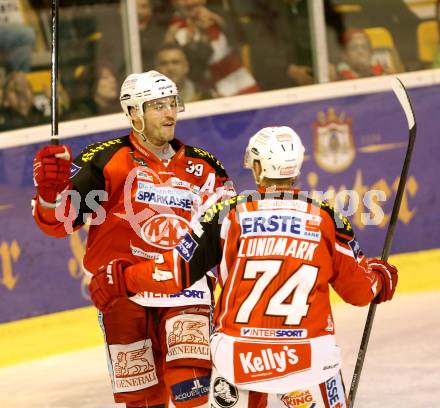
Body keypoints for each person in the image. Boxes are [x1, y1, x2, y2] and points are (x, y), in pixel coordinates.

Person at [89, 126, 399, 408]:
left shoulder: (226, 213)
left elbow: (172, 273)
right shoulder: (327, 216)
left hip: (240, 358)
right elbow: (360, 292)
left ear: (260, 167)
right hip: (307, 359)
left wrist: (123, 278)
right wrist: (381, 278)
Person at [32, 70, 234, 408]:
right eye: (157, 106)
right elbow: (59, 223)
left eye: (171, 103)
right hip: (123, 295)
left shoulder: (205, 167)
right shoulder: (105, 160)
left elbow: (227, 235)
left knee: (192, 393)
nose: (170, 113)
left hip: (186, 292)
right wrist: (51, 195)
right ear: (133, 113)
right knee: (144, 402)